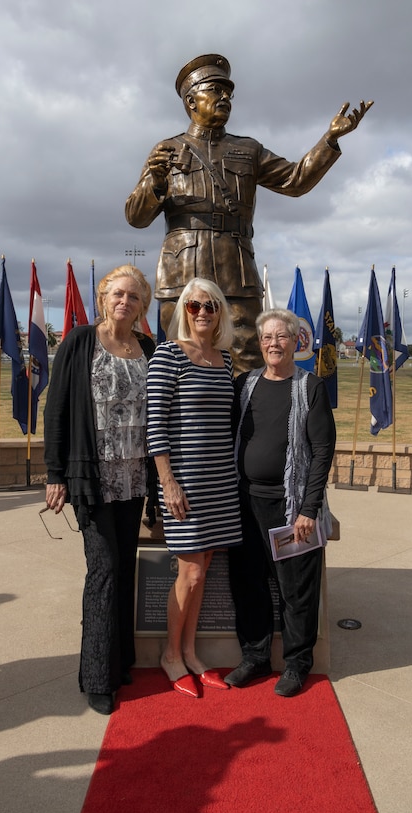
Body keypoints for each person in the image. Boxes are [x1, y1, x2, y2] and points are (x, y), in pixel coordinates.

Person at [126, 53, 373, 372]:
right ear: (191, 100)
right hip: (182, 269)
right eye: (215, 89)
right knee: (182, 360)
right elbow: (136, 216)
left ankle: (249, 423)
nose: (225, 97)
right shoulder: (167, 150)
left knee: (247, 360)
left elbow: (295, 180)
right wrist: (155, 181)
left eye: (228, 92)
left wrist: (330, 139)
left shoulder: (248, 150)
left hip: (236, 267)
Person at [43, 265, 155, 715]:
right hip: (93, 477)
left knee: (124, 568)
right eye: (117, 294)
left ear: (141, 304)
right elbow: (57, 410)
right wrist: (55, 474)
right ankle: (97, 675)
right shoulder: (80, 341)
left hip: (134, 478)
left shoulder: (147, 346)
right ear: (104, 297)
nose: (124, 302)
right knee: (104, 571)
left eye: (133, 296)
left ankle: (121, 660)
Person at [225, 308, 336, 697]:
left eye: (281, 337)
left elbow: (322, 451)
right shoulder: (247, 383)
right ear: (260, 343)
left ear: (295, 341)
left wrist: (308, 508)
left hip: (291, 509)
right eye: (267, 337)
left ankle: (296, 663)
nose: (274, 343)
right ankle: (254, 658)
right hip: (245, 503)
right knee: (249, 585)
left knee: (295, 591)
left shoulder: (311, 387)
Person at [146, 277, 241, 697]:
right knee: (192, 570)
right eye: (194, 306)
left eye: (211, 306)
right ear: (183, 311)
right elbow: (156, 425)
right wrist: (167, 482)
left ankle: (190, 651)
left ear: (220, 313)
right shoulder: (169, 355)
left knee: (203, 574)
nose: (203, 312)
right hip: (184, 483)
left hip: (221, 482)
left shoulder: (225, 361)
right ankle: (170, 654)